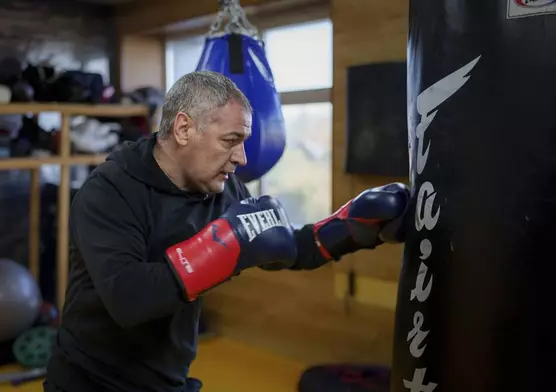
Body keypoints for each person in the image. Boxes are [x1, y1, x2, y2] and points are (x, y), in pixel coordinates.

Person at [43, 71, 410, 392]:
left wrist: (355, 227)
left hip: (168, 380)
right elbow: (129, 298)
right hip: (89, 382)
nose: (242, 158)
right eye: (231, 140)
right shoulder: (110, 190)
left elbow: (289, 247)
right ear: (184, 129)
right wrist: (224, 245)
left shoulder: (221, 187)